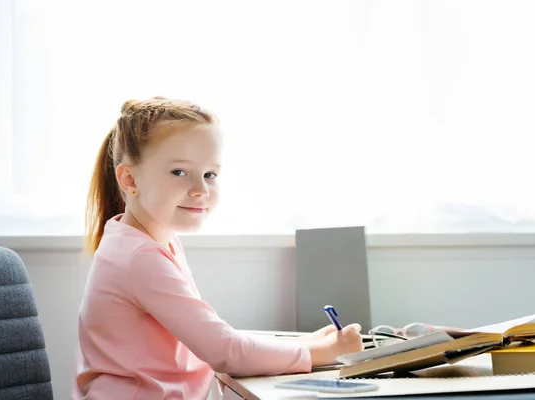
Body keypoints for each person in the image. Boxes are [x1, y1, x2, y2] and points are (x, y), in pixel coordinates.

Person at [73, 97, 363, 399]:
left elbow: (216, 339)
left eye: (210, 174)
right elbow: (225, 351)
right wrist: (322, 353)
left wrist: (307, 346)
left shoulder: (151, 240)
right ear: (130, 178)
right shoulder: (138, 257)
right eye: (179, 172)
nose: (201, 189)